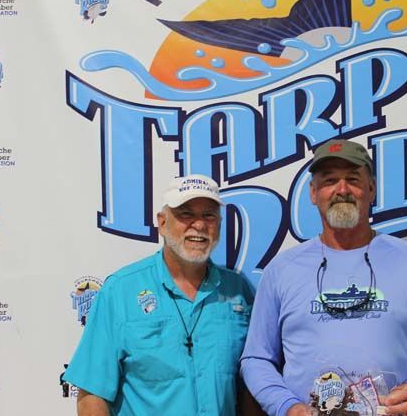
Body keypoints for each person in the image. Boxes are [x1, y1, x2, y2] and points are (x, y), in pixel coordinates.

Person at [241, 139, 407, 416]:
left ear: (371, 189)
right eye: (330, 180)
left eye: (353, 179)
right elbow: (256, 358)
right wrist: (286, 406)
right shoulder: (282, 269)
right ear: (313, 192)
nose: (342, 190)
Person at [63, 174, 261, 415]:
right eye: (186, 214)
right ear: (162, 222)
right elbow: (92, 394)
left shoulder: (238, 291)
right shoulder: (120, 291)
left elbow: (252, 385)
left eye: (208, 215)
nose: (199, 225)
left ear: (219, 224)